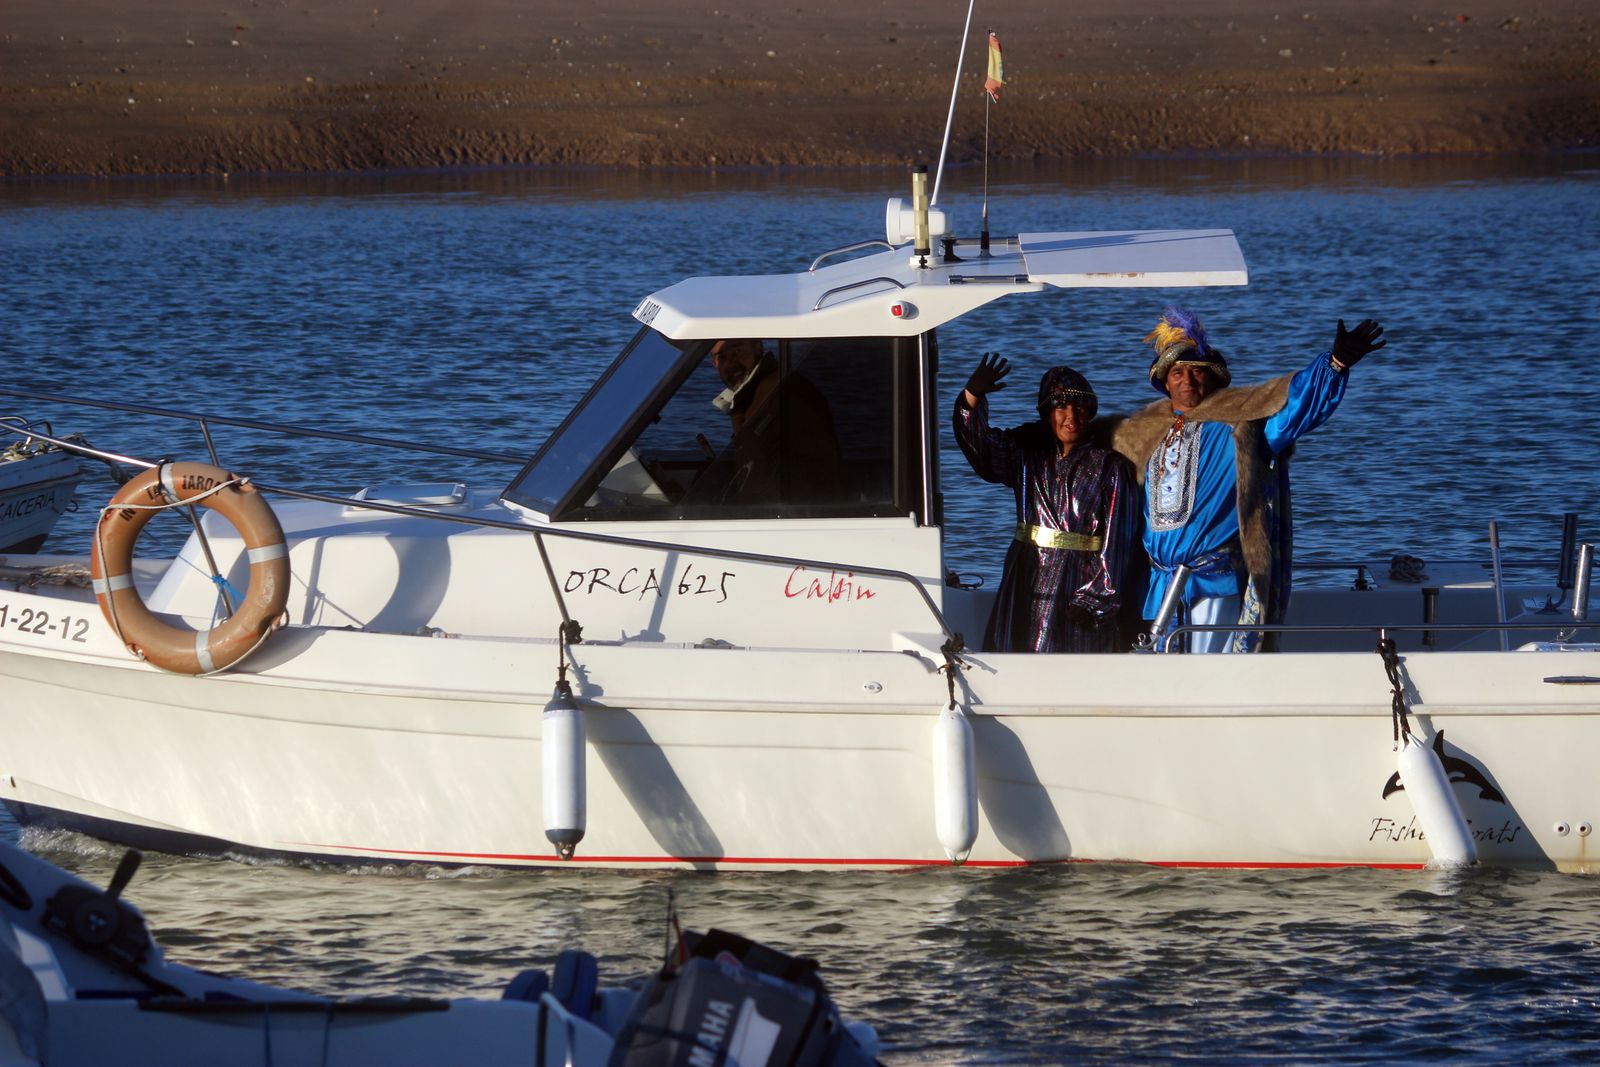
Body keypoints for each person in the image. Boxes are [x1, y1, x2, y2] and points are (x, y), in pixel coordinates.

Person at [1107, 307, 1386, 652]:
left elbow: (1291, 411)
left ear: (1213, 379)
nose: (1188, 380)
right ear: (1165, 382)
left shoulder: (1240, 426)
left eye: (1197, 372)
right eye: (1178, 372)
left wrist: (1334, 365)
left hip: (1212, 582)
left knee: (1208, 676)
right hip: (1157, 583)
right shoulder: (1143, 434)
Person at [954, 355, 1137, 653]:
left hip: (1077, 580)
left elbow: (1120, 540)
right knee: (1017, 651)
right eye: (1060, 407)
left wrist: (1096, 598)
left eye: (1079, 407)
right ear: (1046, 413)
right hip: (1025, 573)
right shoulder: (1027, 453)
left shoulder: (1109, 466)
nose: (1071, 417)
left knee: (1074, 658)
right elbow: (983, 450)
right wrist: (972, 396)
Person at [701, 338, 843, 505]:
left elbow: (817, 471)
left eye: (737, 351)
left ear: (758, 347)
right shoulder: (751, 396)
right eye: (722, 357)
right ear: (714, 363)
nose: (731, 362)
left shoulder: (783, 392)